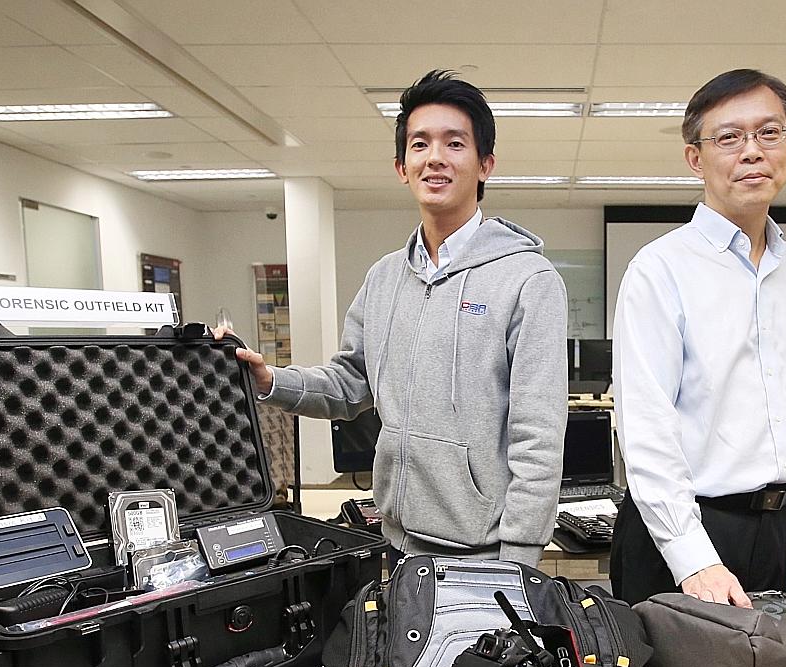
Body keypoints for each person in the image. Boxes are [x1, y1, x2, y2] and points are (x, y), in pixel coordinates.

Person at [214, 70, 568, 567]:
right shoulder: (384, 278)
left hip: (486, 554)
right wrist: (272, 379)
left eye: (455, 143)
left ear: (485, 164)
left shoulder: (529, 280)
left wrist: (519, 560)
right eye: (419, 144)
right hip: (395, 542)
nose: (435, 158)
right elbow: (349, 383)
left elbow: (539, 436)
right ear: (402, 166)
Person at [611, 68, 786, 609]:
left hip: (784, 537)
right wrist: (693, 556)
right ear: (696, 158)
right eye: (729, 137)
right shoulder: (660, 270)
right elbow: (647, 426)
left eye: (770, 133)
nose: (752, 152)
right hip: (683, 536)